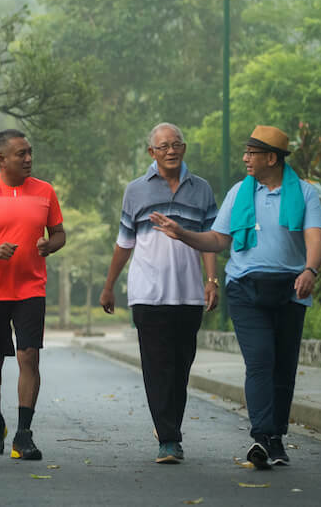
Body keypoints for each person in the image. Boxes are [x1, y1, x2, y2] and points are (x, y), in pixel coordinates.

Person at [150, 125, 321, 469]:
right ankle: (263, 437)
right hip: (246, 289)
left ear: (271, 158)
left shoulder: (305, 194)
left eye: (252, 153)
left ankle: (276, 436)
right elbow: (218, 240)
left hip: (291, 288)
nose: (245, 159)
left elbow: (315, 237)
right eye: (245, 152)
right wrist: (183, 233)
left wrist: (310, 270)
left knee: (284, 367)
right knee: (260, 361)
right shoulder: (239, 193)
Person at [99, 123, 218, 464]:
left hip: (188, 295)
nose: (171, 150)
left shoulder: (202, 189)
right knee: (157, 367)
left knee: (180, 367)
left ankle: (170, 428)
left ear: (184, 148)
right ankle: (169, 438)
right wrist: (109, 286)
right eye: (163, 145)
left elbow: (210, 238)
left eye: (176, 144)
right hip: (148, 295)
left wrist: (212, 280)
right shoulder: (136, 190)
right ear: (151, 152)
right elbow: (124, 243)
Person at [0, 129, 65, 461]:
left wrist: (49, 245)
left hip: (31, 289)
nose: (28, 159)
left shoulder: (45, 191)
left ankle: (24, 434)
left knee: (29, 357)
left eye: (30, 153)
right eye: (21, 154)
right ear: (1, 159)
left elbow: (59, 234)